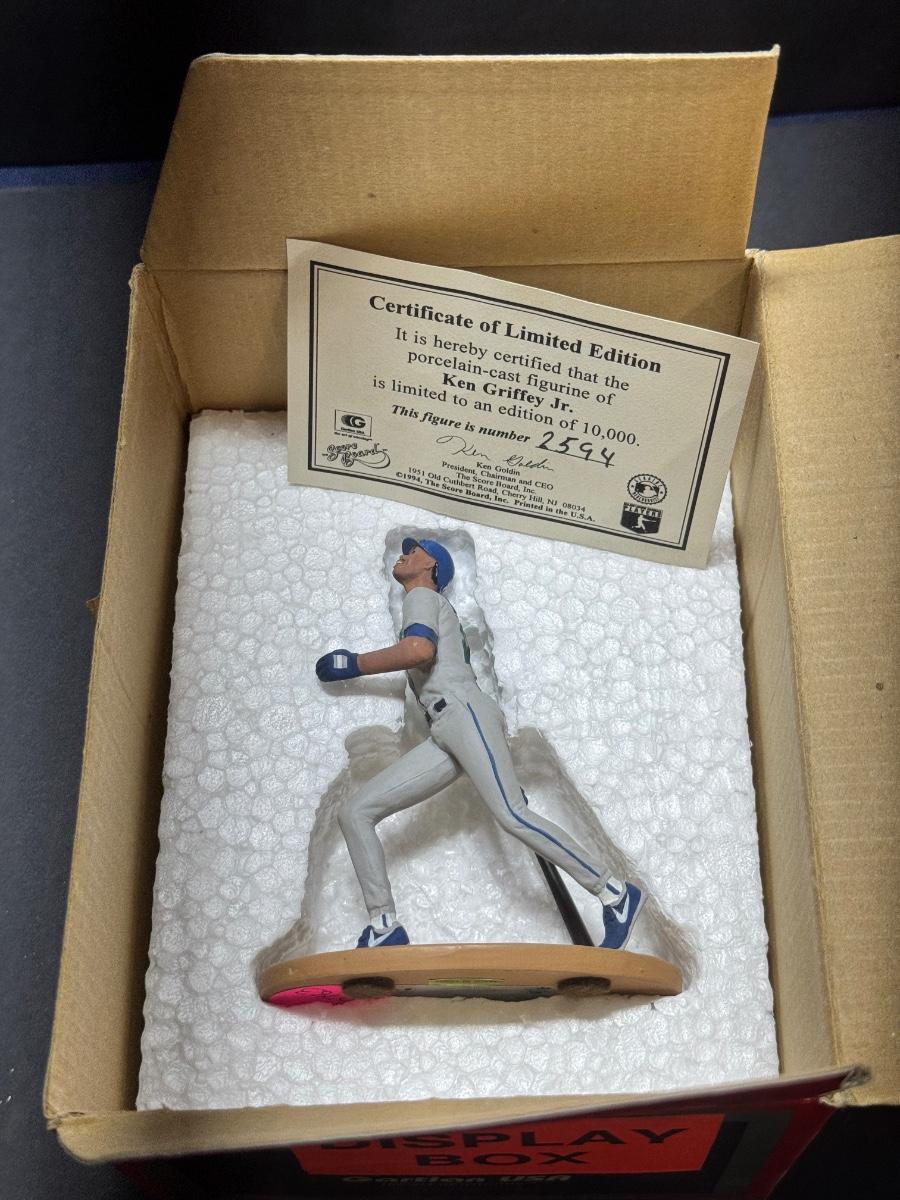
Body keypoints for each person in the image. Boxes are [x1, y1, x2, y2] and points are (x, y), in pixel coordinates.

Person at [315, 537, 644, 951]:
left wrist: (355, 663)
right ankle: (384, 926)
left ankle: (614, 893)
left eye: (416, 551)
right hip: (447, 728)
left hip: (464, 713)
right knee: (355, 811)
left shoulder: (422, 596)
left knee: (512, 813)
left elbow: (418, 649)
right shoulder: (423, 601)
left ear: (432, 567)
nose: (406, 555)